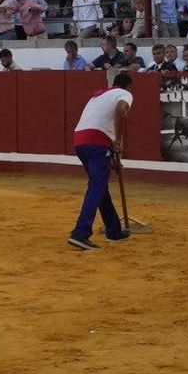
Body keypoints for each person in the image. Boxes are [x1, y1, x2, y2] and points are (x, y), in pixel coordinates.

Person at [68, 70, 132, 251]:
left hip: (80, 140)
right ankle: (80, 233)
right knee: (97, 186)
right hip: (97, 143)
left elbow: (100, 125)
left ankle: (113, 230)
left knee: (100, 186)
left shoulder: (99, 95)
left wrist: (113, 160)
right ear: (129, 87)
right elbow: (121, 110)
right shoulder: (125, 93)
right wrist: (119, 142)